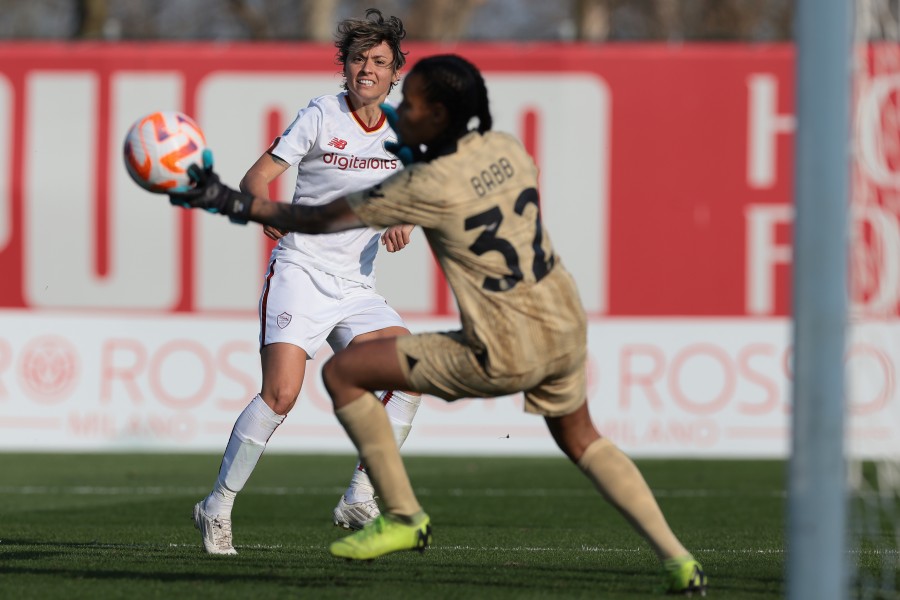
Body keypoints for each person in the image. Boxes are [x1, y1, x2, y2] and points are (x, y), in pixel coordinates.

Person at [170, 54, 708, 595]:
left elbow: (312, 219)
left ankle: (398, 513)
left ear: (440, 112)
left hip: (499, 345)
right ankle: (679, 559)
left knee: (343, 376)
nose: (402, 108)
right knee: (585, 440)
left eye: (416, 102)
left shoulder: (422, 183)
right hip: (564, 328)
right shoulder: (510, 152)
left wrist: (218, 197)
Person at [190, 8, 423, 556]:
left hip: (355, 285)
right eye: (360, 59)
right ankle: (216, 506)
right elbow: (257, 176)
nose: (368, 68)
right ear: (344, 66)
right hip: (300, 271)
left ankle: (359, 496)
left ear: (395, 74)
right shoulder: (321, 114)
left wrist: (403, 221)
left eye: (380, 62)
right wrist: (262, 206)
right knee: (282, 394)